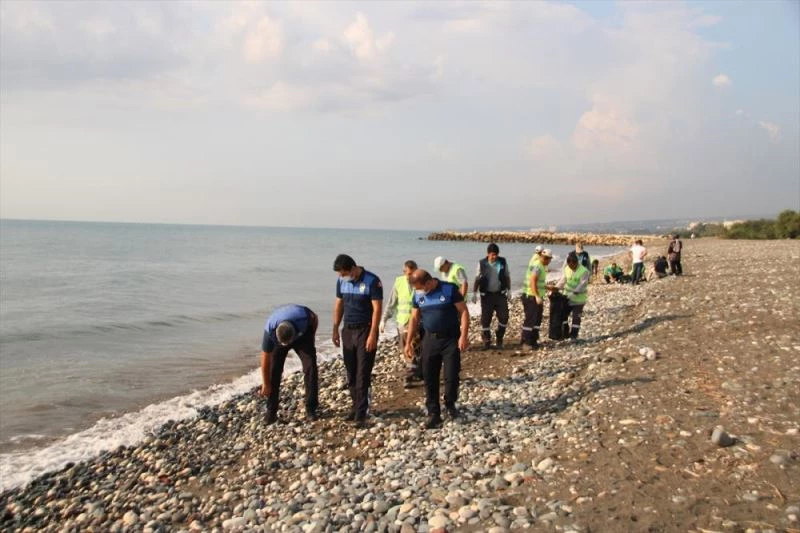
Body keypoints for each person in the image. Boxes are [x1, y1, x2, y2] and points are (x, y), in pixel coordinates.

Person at [405, 270, 469, 429]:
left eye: (421, 288)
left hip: (450, 340)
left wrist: (464, 335)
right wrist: (408, 342)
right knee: (429, 377)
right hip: (429, 340)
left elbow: (463, 312)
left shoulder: (449, 289)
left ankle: (450, 402)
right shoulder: (418, 294)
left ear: (428, 282)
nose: (420, 292)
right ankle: (434, 413)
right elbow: (414, 318)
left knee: (451, 376)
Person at [332, 254, 383, 428]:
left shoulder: (372, 281)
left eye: (343, 272)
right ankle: (355, 406)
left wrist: (373, 334)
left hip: (365, 330)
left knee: (363, 372)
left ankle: (362, 413)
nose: (341, 276)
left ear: (353, 269)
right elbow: (339, 304)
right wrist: (335, 328)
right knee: (351, 371)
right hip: (348, 330)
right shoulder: (342, 282)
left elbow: (377, 309)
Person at [259, 304, 319, 424]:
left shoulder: (304, 319)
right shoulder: (270, 330)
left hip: (303, 336)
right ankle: (271, 413)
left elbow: (315, 319)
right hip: (281, 336)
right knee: (274, 371)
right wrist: (265, 384)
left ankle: (311, 409)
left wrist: (311, 339)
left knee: (310, 367)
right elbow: (265, 359)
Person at [380, 260, 422, 388]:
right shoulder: (399, 282)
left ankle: (417, 372)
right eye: (407, 273)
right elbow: (391, 303)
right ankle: (410, 375)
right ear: (404, 272)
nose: (410, 276)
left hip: (419, 320)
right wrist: (384, 320)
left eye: (412, 273)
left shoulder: (421, 281)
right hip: (403, 322)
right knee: (407, 348)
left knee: (418, 348)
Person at [472, 243, 511, 350]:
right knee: (485, 320)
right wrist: (474, 293)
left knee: (504, 317)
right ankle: (487, 341)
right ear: (487, 254)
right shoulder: (482, 263)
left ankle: (499, 338)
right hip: (487, 296)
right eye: (492, 255)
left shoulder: (502, 262)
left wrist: (509, 290)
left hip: (500, 294)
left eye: (496, 255)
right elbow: (477, 279)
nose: (494, 257)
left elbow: (507, 276)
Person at [553, 251, 590, 340]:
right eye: (570, 265)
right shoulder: (567, 269)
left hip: (579, 299)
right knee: (563, 315)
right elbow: (563, 280)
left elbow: (581, 285)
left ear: (577, 263)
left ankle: (574, 335)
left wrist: (573, 293)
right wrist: (556, 288)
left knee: (576, 318)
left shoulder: (584, 271)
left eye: (573, 265)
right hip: (567, 298)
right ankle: (565, 332)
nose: (571, 267)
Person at [521, 248, 553, 351]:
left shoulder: (542, 266)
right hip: (531, 296)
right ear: (542, 257)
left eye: (548, 259)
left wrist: (547, 287)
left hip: (534, 295)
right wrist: (536, 296)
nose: (547, 260)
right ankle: (526, 342)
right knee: (531, 319)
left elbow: (538, 282)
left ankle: (533, 340)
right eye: (545, 258)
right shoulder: (538, 266)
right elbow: (532, 281)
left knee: (537, 319)